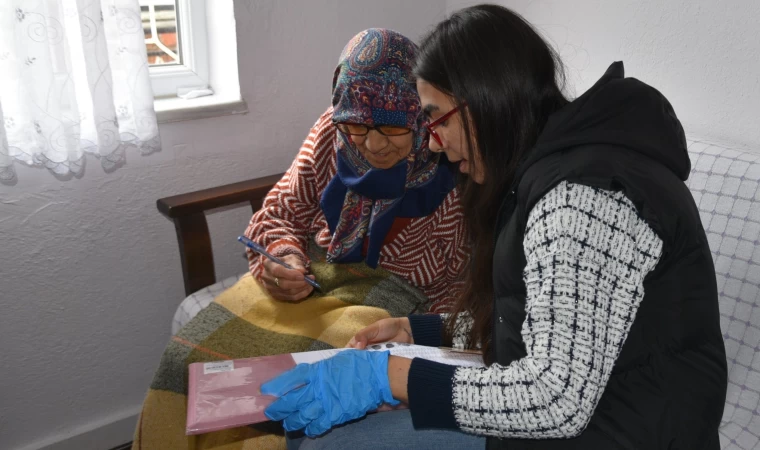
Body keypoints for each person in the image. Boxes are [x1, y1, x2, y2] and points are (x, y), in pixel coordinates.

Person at [261, 5, 728, 449]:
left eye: (435, 120)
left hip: (615, 436)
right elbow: (532, 321)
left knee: (333, 441)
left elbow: (554, 398)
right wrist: (421, 332)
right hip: (584, 422)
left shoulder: (583, 195)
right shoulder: (543, 176)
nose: (436, 145)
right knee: (315, 429)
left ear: (483, 101)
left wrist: (390, 378)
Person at [243, 28, 467, 311]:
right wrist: (283, 260)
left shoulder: (451, 163)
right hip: (320, 284)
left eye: (393, 127)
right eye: (358, 125)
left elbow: (466, 286)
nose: (373, 145)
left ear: (421, 116)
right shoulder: (335, 129)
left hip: (404, 311)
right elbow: (280, 212)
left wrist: (417, 327)